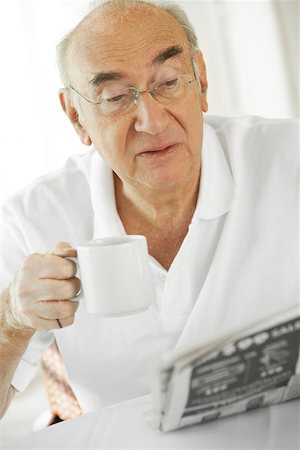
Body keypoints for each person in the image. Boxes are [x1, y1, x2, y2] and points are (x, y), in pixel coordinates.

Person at [0, 0, 298, 425]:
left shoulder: (289, 159)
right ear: (75, 116)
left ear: (202, 80)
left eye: (170, 82)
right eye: (116, 97)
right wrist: (12, 318)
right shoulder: (32, 217)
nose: (152, 121)